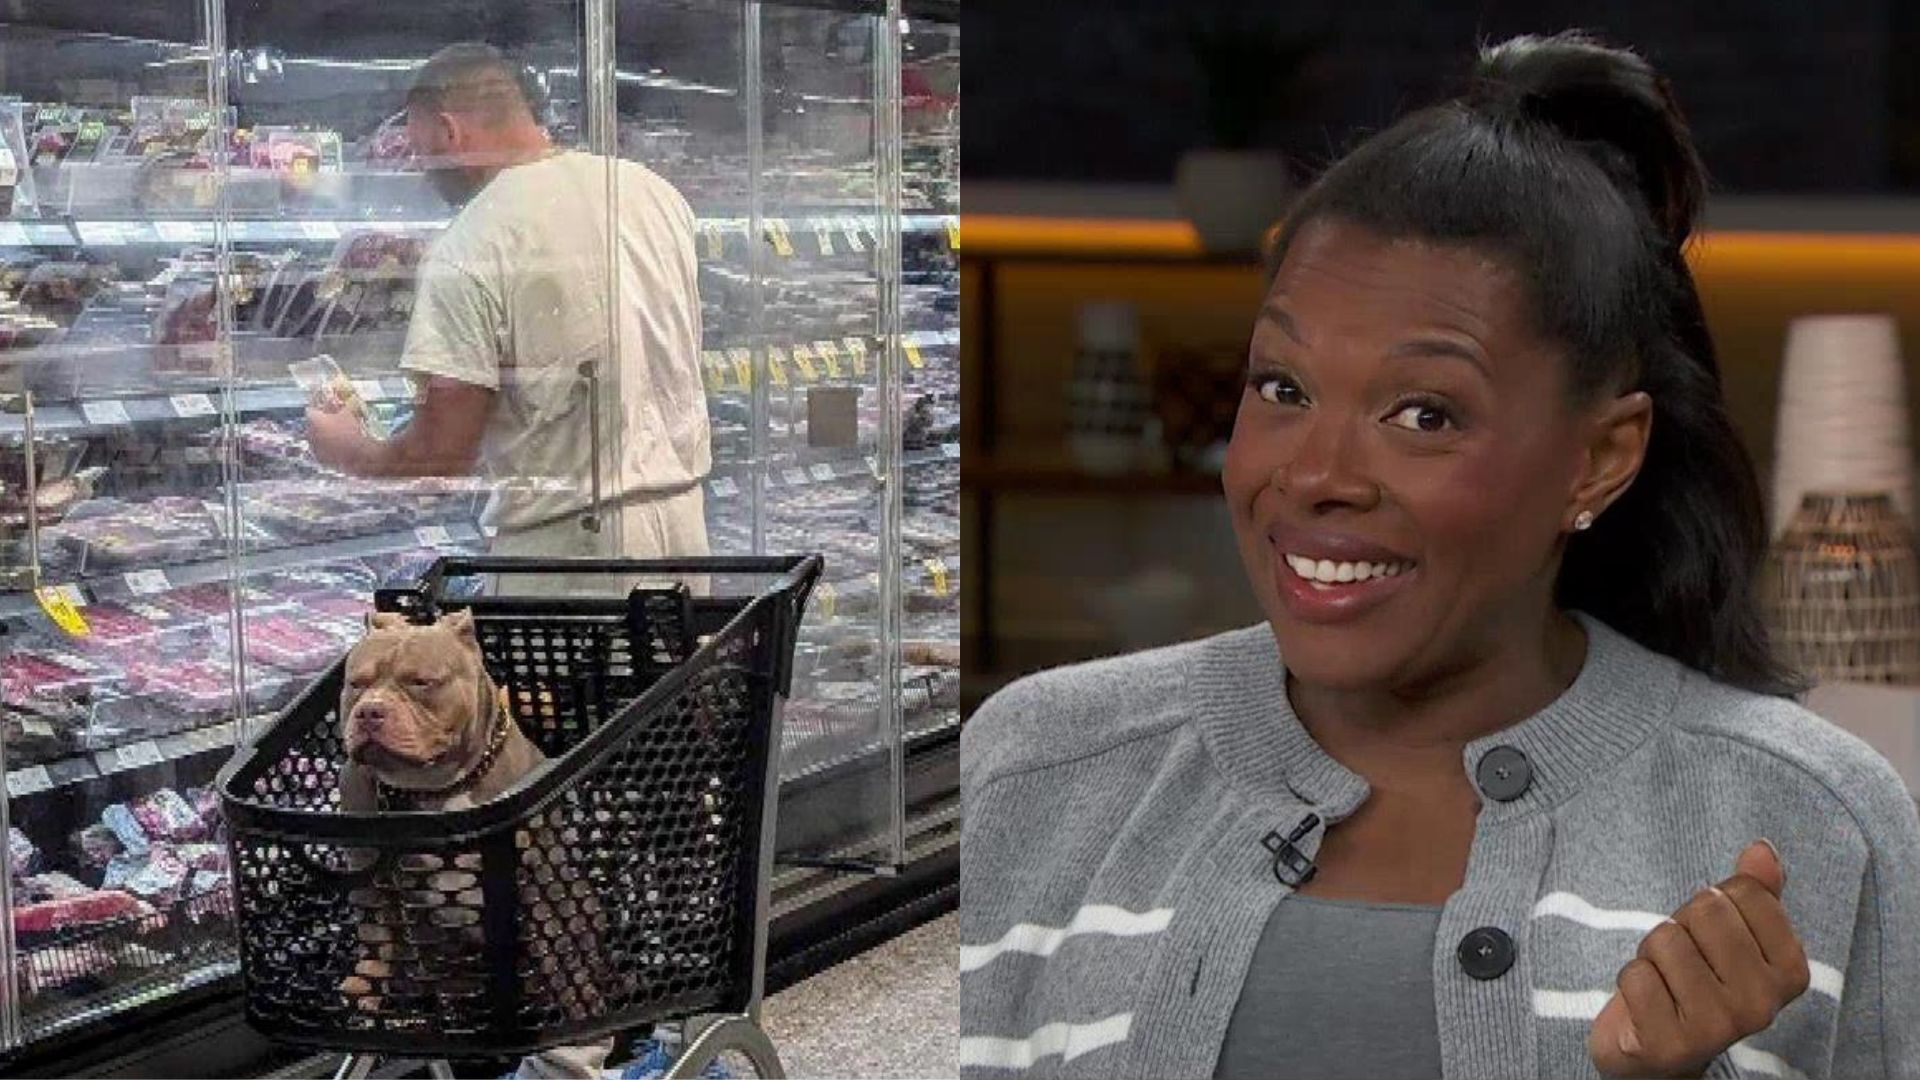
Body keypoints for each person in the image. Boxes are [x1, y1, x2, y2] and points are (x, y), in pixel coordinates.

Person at [959, 32, 1920, 1080]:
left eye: (1423, 413)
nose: (1318, 472)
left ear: (1599, 459)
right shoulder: (1037, 772)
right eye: (1282, 388)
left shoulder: (1816, 821)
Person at [307, 43, 712, 579]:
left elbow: (441, 458)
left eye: (420, 148)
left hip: (572, 556)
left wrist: (350, 450)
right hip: (686, 530)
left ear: (450, 132)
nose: (422, 168)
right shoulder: (652, 193)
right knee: (677, 667)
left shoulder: (475, 239)